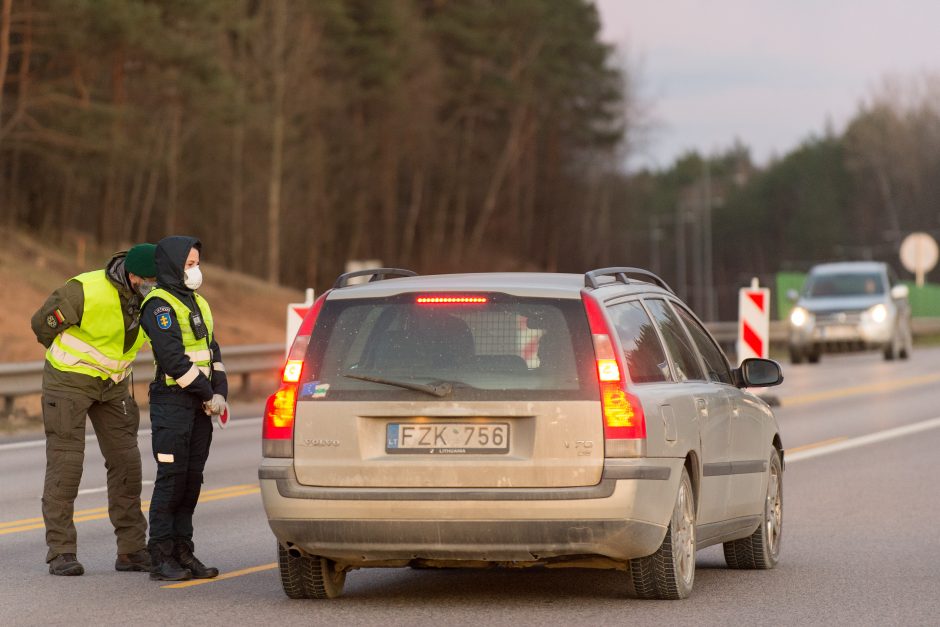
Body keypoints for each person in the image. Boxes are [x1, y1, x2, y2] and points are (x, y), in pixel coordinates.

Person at [30, 244, 157, 576]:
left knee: (127, 462)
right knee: (67, 463)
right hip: (69, 382)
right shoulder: (86, 290)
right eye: (147, 279)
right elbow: (41, 324)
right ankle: (61, 552)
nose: (152, 285)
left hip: (113, 387)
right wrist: (73, 362)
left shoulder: (154, 299)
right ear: (131, 275)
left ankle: (132, 551)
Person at [140, 235, 227, 581]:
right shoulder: (158, 305)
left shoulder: (198, 303)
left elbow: (212, 351)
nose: (196, 270)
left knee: (192, 480)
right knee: (171, 479)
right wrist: (208, 394)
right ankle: (160, 556)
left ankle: (183, 551)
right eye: (189, 265)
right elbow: (174, 359)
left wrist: (220, 392)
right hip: (172, 402)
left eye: (197, 263)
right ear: (175, 266)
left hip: (200, 403)